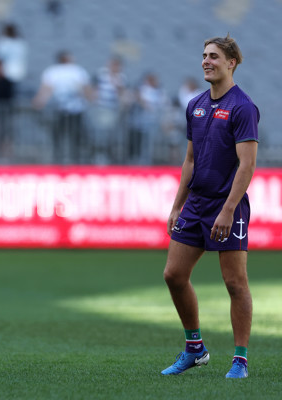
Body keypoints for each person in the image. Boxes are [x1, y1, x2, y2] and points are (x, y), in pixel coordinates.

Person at [161, 34, 259, 379]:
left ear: (231, 62)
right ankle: (195, 349)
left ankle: (240, 359)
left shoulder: (243, 107)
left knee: (235, 283)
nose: (206, 61)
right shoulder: (196, 104)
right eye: (204, 55)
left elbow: (246, 165)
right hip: (197, 203)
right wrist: (177, 205)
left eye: (214, 56)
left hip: (226, 205)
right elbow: (190, 160)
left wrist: (229, 209)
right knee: (173, 275)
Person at [32, 50, 91, 164]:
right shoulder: (75, 71)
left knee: (67, 138)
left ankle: (66, 160)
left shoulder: (56, 71)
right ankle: (67, 161)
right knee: (65, 137)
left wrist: (38, 102)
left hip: (68, 110)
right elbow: (46, 90)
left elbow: (45, 90)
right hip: (65, 110)